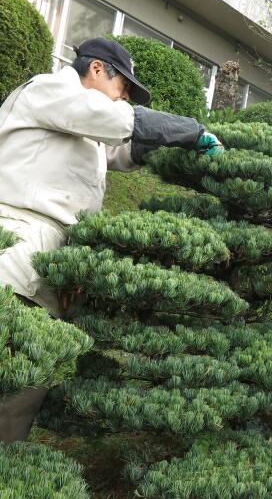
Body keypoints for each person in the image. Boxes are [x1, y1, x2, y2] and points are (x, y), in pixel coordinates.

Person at [0, 37, 224, 316]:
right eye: (124, 85)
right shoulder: (52, 89)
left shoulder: (78, 118)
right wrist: (193, 132)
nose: (125, 96)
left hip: (48, 252)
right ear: (96, 68)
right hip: (16, 245)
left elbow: (121, 149)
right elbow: (123, 122)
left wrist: (178, 156)